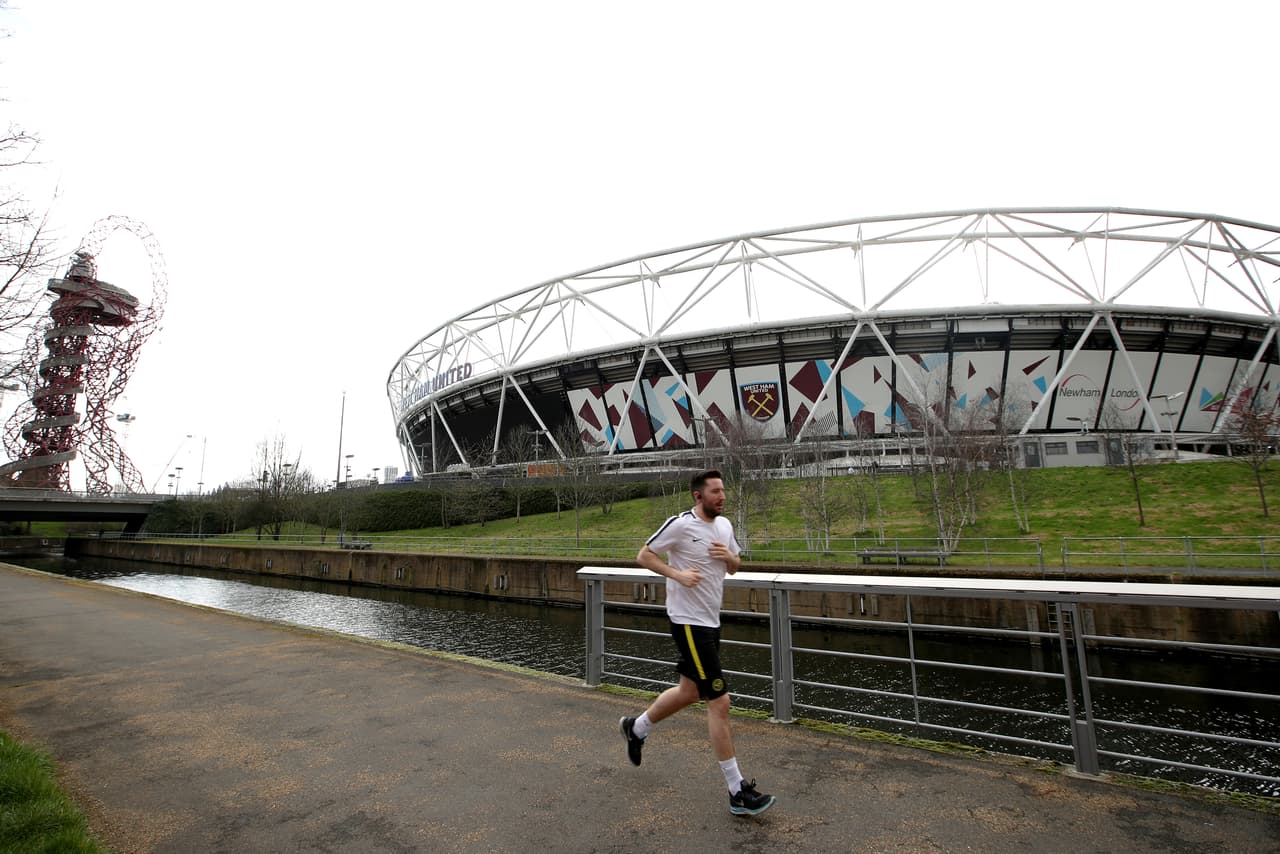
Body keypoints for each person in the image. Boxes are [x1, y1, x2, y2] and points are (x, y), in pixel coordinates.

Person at [618, 469, 776, 817]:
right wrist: (678, 575)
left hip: (711, 621)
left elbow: (735, 566)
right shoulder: (680, 524)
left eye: (723, 491)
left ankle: (636, 727)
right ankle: (737, 792)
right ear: (697, 496)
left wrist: (729, 558)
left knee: (689, 692)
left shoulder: (724, 526)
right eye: (715, 492)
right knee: (720, 702)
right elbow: (644, 555)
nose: (722, 496)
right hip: (688, 623)